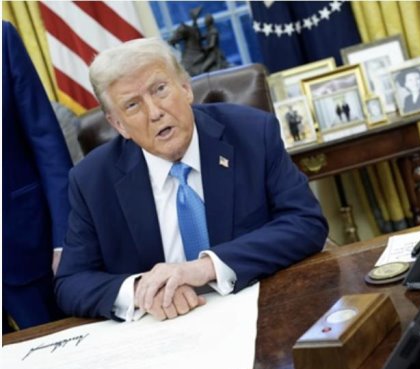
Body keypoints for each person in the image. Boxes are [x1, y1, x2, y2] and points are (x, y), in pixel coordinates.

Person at [55, 38, 328, 322]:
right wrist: (142, 290)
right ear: (118, 124)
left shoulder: (252, 133)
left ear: (185, 88)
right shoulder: (91, 180)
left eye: (160, 89)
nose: (154, 112)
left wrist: (205, 268)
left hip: (260, 311)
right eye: (133, 105)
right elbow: (71, 282)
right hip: (163, 329)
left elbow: (306, 222)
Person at [2, 21, 73, 333]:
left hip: (24, 244)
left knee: (64, 345)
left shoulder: (3, 39)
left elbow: (47, 144)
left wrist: (64, 240)